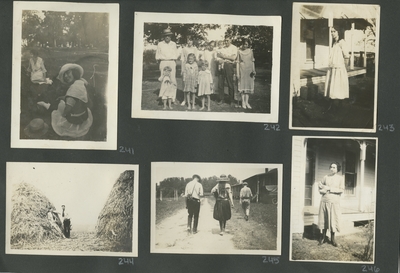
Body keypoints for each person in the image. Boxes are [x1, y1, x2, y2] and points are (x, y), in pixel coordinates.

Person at [44, 64, 93, 138]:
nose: (66, 76)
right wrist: (66, 98)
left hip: (75, 119)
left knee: (57, 109)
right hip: (84, 115)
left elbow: (68, 108)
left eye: (68, 73)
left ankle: (46, 106)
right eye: (64, 75)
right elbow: (86, 101)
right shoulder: (81, 83)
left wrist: (64, 115)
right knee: (62, 100)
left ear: (74, 72)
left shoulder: (73, 90)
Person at [318, 162, 345, 247]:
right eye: (331, 167)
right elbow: (320, 187)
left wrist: (329, 188)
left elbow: (341, 190)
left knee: (333, 219)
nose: (332, 169)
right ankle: (323, 238)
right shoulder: (325, 177)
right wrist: (322, 189)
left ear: (337, 169)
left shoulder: (340, 178)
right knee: (324, 219)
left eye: (334, 167)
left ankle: (333, 239)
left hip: (334, 202)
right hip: (325, 201)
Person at [324, 25, 349, 112]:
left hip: (339, 69)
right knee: (333, 87)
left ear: (339, 32)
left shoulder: (342, 42)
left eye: (334, 31)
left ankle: (340, 107)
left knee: (339, 87)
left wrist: (344, 69)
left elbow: (346, 57)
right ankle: (332, 105)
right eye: (331, 31)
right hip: (333, 68)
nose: (332, 33)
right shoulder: (334, 43)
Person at [156, 28, 179, 104]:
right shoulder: (160, 44)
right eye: (166, 36)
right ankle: (163, 98)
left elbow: (175, 55)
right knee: (164, 79)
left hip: (172, 62)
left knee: (172, 80)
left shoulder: (173, 44)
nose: (167, 37)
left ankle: (172, 98)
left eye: (168, 35)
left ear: (170, 36)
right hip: (163, 62)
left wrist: (173, 63)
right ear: (163, 36)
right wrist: (160, 63)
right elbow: (157, 55)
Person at [217, 39, 238, 106]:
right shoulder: (222, 47)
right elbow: (218, 55)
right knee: (220, 83)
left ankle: (231, 100)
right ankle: (221, 99)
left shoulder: (234, 48)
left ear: (231, 41)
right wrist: (226, 57)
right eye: (225, 41)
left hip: (229, 66)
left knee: (230, 83)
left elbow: (233, 58)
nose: (226, 42)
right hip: (221, 66)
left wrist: (224, 56)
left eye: (227, 41)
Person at [237, 38, 256, 109]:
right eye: (244, 44)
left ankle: (247, 102)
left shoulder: (251, 51)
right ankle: (243, 102)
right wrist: (238, 73)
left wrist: (254, 70)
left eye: (247, 44)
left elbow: (252, 61)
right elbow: (237, 62)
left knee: (248, 87)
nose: (245, 45)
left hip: (249, 71)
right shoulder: (239, 51)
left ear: (248, 45)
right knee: (242, 86)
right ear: (242, 44)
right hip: (242, 70)